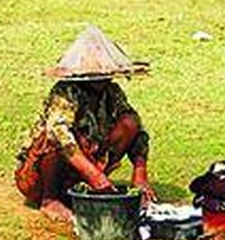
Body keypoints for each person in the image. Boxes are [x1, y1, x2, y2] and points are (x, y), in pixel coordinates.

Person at [15, 25, 157, 222]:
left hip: (86, 168)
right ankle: (51, 199)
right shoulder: (65, 92)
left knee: (129, 122)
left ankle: (86, 190)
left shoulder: (112, 92)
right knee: (52, 138)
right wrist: (96, 177)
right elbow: (58, 133)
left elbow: (136, 130)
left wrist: (140, 174)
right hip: (42, 177)